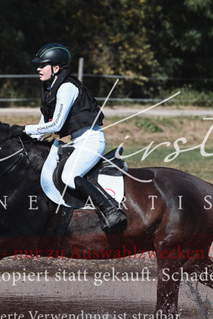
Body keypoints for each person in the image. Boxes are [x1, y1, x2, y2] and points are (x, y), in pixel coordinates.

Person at [10, 43, 127, 234]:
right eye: (38, 65)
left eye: (43, 65)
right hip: (75, 141)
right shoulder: (49, 88)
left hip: (91, 140)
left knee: (69, 176)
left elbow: (56, 125)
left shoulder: (67, 87)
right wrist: (18, 136)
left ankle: (111, 210)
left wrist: (25, 128)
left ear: (56, 68)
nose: (38, 69)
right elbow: (43, 125)